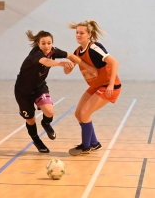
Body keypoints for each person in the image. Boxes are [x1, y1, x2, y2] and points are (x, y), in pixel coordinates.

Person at [14, 30, 95, 153]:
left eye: (49, 43)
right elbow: (46, 61)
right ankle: (36, 140)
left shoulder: (53, 51)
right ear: (38, 43)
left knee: (49, 111)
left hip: (39, 87)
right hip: (23, 91)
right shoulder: (35, 54)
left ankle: (46, 124)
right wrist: (60, 63)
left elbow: (71, 56)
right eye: (43, 43)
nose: (46, 46)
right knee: (30, 119)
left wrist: (87, 66)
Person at [65, 20, 121, 156]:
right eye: (77, 32)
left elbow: (114, 62)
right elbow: (67, 71)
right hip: (96, 86)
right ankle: (94, 143)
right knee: (78, 113)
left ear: (89, 34)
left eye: (81, 33)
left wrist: (111, 84)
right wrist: (66, 68)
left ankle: (85, 147)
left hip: (109, 86)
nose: (78, 35)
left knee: (85, 113)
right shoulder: (77, 52)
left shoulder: (94, 48)